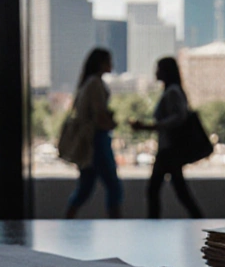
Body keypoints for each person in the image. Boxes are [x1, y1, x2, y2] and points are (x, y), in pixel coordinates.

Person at [130, 57, 204, 218]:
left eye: (158, 68)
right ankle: (198, 219)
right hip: (169, 149)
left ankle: (154, 223)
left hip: (168, 149)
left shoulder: (172, 92)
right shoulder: (174, 91)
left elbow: (178, 118)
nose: (155, 72)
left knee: (155, 190)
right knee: (177, 190)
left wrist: (150, 126)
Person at [64, 48, 123, 219]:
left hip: (89, 140)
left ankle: (68, 221)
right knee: (113, 186)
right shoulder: (96, 84)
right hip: (97, 140)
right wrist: (111, 123)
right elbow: (99, 115)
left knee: (85, 187)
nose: (111, 64)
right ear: (101, 63)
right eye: (108, 61)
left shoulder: (86, 84)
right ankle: (116, 223)